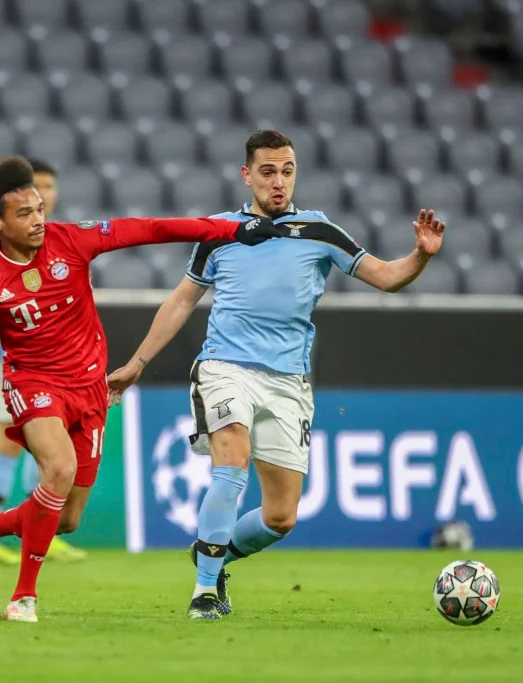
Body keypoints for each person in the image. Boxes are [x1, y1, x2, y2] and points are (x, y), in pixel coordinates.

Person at [0, 156, 280, 622]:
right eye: (25, 213)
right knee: (59, 468)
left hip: (89, 387)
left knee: (66, 519)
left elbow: (147, 229)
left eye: (39, 208)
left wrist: (227, 229)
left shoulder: (70, 239)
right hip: (32, 383)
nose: (38, 219)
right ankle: (23, 598)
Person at [106, 129, 447, 620]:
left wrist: (421, 256)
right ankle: (204, 593)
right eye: (268, 172)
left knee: (280, 517)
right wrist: (137, 364)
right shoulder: (220, 232)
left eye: (287, 171)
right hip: (225, 366)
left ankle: (213, 557)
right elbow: (181, 301)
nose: (278, 181)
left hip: (288, 382)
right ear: (247, 175)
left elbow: (387, 277)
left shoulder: (320, 231)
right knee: (232, 462)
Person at [0, 159, 85, 564]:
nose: (45, 194)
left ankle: (41, 530)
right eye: (39, 186)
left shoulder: (50, 239)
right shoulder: (4, 238)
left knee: (46, 447)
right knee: (8, 442)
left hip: (48, 362)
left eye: (50, 187)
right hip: (9, 359)